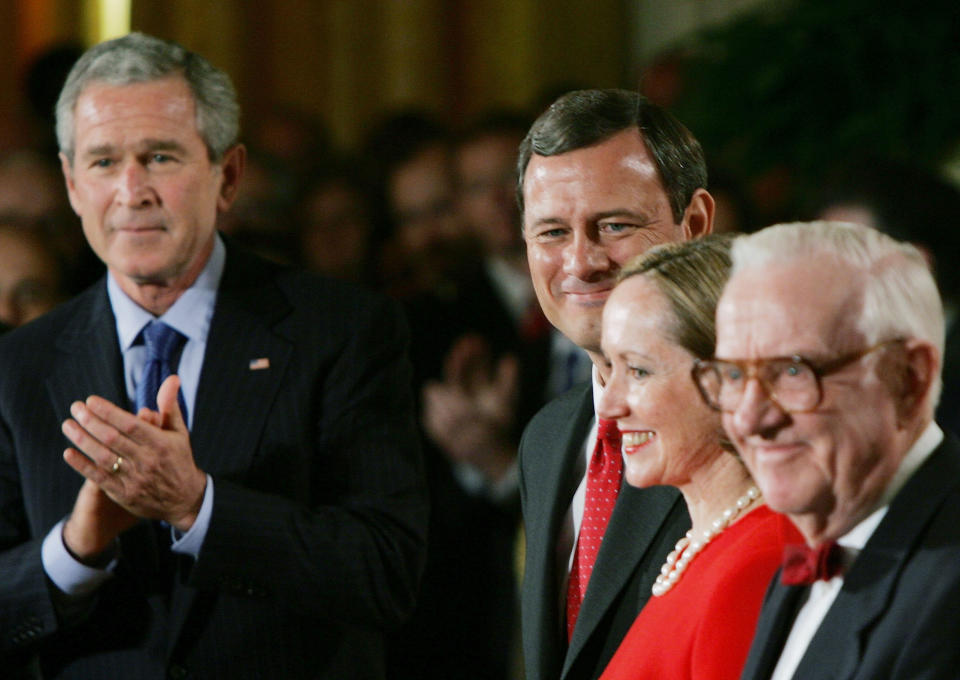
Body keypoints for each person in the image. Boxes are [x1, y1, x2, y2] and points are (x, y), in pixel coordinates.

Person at [0, 32, 427, 679]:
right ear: (70, 183)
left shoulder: (342, 330)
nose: (131, 190)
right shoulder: (18, 365)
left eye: (161, 157)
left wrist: (198, 506)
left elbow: (384, 572)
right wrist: (75, 548)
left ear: (226, 176)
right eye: (104, 162)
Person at [697, 220, 960, 679]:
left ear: (909, 378)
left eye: (793, 372)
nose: (749, 419)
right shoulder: (822, 536)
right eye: (734, 375)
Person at [517, 88, 714, 680]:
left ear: (696, 223)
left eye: (614, 225)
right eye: (552, 232)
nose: (581, 262)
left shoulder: (746, 422)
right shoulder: (547, 437)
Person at [594, 236, 801, 679]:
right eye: (610, 368)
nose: (608, 406)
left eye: (638, 371)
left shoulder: (756, 563)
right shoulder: (708, 547)